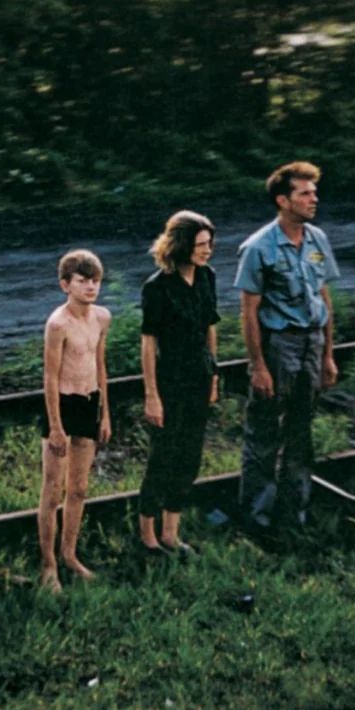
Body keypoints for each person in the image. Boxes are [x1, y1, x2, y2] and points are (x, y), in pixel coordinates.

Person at [234, 161, 339, 535]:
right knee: (264, 432)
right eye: (305, 193)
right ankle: (257, 519)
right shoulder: (259, 248)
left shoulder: (317, 240)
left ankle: (295, 512)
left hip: (311, 343)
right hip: (279, 346)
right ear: (283, 200)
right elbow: (248, 312)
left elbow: (324, 297)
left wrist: (328, 354)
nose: (314, 199)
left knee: (301, 431)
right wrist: (258, 365)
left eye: (314, 192)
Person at [138, 212, 220, 557]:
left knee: (189, 457)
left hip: (199, 378)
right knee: (163, 457)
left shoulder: (207, 277)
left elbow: (210, 328)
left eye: (209, 244)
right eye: (201, 245)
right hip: (169, 381)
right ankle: (147, 537)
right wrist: (152, 395)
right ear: (183, 245)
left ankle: (171, 533)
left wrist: (214, 375)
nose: (207, 251)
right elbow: (148, 343)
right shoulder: (156, 287)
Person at [38, 249, 112, 591]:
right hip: (62, 406)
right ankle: (48, 564)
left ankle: (69, 554)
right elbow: (50, 377)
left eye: (95, 280)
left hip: (89, 402)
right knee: (53, 490)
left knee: (79, 488)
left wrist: (105, 412)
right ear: (65, 285)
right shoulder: (57, 323)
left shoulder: (101, 318)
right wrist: (55, 425)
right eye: (82, 281)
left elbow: (100, 366)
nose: (90, 287)